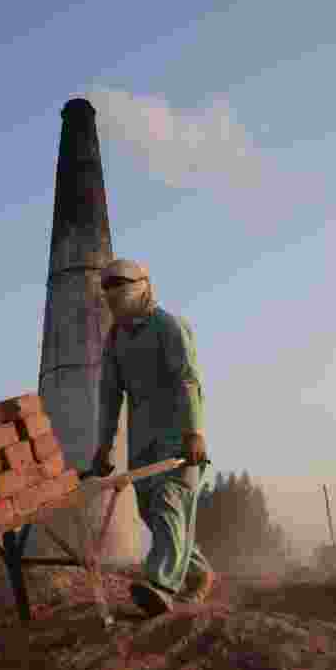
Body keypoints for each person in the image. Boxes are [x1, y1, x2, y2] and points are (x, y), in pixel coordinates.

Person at [90, 258, 216, 617]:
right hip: (143, 440)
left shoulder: (167, 326)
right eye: (108, 293)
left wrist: (195, 432)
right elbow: (110, 394)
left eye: (120, 289)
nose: (113, 298)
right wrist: (104, 444)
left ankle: (160, 584)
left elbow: (188, 380)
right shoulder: (115, 340)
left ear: (142, 287)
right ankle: (198, 572)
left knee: (168, 503)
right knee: (152, 511)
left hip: (179, 437)